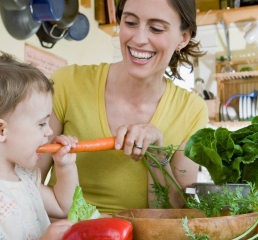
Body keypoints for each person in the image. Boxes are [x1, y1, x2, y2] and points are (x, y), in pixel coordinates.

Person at [39, 0, 209, 215]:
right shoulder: (67, 83)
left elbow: (172, 213)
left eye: (156, 28)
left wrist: (157, 155)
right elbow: (26, 181)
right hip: (66, 232)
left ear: (183, 38)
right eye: (130, 22)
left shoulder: (191, 110)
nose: (138, 39)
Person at [0, 52, 79, 239]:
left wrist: (66, 166)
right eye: (41, 123)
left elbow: (64, 208)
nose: (49, 131)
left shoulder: (25, 178)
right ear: (0, 131)